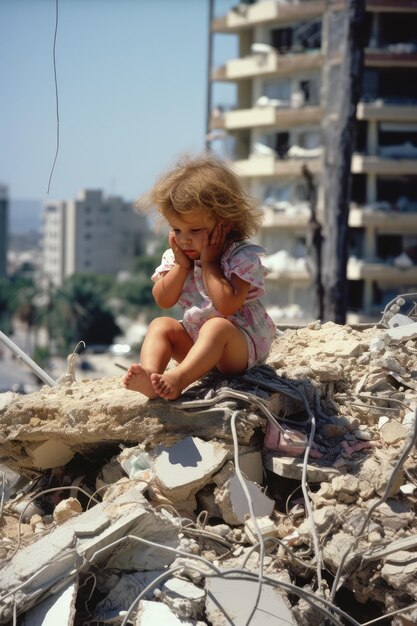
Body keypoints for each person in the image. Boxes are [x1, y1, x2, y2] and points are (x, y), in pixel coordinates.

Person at [123, 154, 276, 400]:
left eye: (194, 230)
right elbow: (163, 300)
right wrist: (182, 268)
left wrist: (210, 263)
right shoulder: (180, 256)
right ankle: (152, 376)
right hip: (199, 350)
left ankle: (178, 379)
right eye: (177, 230)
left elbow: (227, 305)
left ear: (225, 223)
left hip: (238, 349)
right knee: (161, 325)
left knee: (216, 326)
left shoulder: (240, 257)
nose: (184, 239)